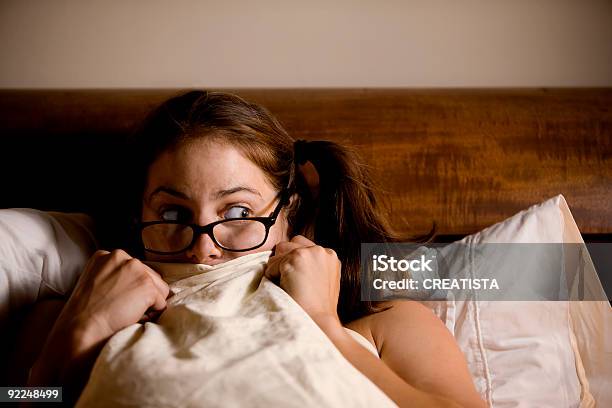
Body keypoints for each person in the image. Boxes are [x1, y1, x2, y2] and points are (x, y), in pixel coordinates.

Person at [28, 91, 486, 407]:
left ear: (287, 213)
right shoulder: (71, 316)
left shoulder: (383, 324)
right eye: (172, 216)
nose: (204, 249)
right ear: (137, 217)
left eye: (237, 213)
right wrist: (78, 338)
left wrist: (325, 325)